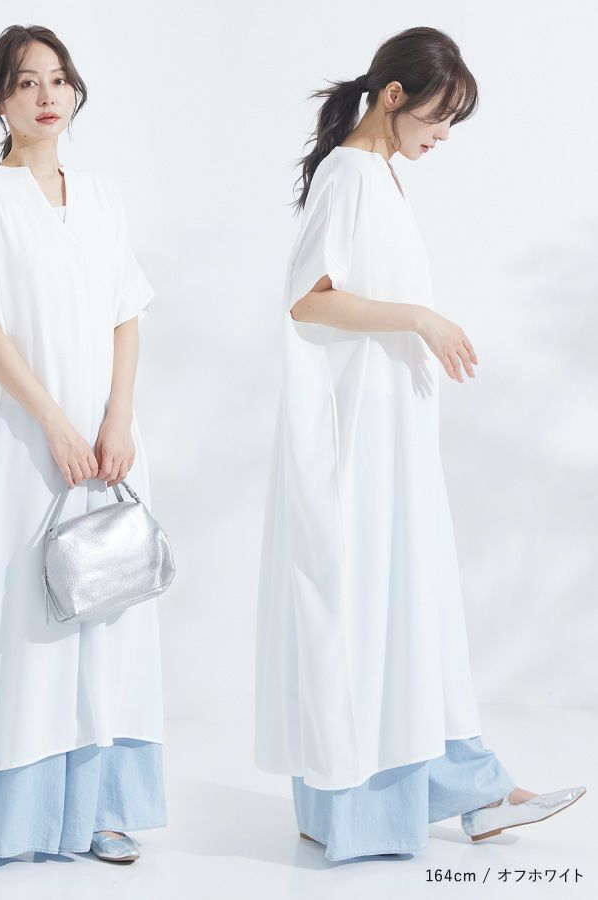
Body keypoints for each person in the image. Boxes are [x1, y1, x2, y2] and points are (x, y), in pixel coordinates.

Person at [254, 25, 585, 864]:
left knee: (403, 608)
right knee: (373, 610)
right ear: (393, 97)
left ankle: (472, 789)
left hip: (390, 429)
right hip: (358, 436)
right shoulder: (350, 175)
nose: (443, 136)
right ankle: (449, 795)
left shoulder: (380, 175)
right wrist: (419, 318)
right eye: (438, 117)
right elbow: (307, 300)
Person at [0, 25, 166, 870]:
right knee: (13, 623)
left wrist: (117, 419)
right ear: (0, 100)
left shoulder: (101, 197)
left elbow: (126, 312)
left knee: (106, 615)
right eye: (27, 82)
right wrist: (55, 422)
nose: (46, 95)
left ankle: (98, 811)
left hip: (106, 444)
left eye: (58, 79)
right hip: (22, 443)